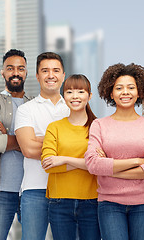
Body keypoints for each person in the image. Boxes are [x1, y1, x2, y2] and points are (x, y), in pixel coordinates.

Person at [84, 63, 144, 240]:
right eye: (119, 88)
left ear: (139, 92)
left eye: (131, 87)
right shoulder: (99, 125)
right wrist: (137, 161)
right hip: (110, 204)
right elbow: (92, 164)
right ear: (111, 92)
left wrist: (110, 169)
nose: (125, 92)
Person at [15, 52, 70, 240]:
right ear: (37, 76)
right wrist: (67, 144)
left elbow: (85, 147)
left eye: (56, 70)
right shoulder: (25, 110)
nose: (50, 75)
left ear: (63, 75)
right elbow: (28, 150)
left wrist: (41, 139)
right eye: (44, 71)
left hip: (69, 189)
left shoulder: (75, 108)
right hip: (35, 189)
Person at [41, 74, 100, 240]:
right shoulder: (54, 127)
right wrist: (88, 163)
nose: (75, 96)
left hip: (92, 201)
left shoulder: (99, 127)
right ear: (63, 96)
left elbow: (101, 165)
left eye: (81, 91)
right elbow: (48, 165)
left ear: (89, 96)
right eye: (69, 92)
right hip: (59, 201)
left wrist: (64, 159)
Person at [0, 49, 33, 240]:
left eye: (21, 68)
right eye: (10, 68)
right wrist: (26, 141)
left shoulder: (35, 105)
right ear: (2, 72)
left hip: (31, 190)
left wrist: (8, 134)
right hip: (0, 190)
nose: (16, 72)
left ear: (26, 73)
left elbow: (45, 143)